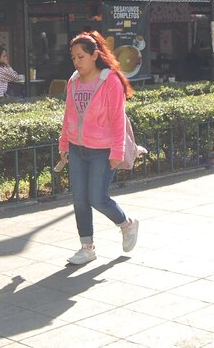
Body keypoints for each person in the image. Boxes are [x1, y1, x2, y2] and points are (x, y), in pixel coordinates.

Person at [57, 31, 139, 265]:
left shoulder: (110, 81)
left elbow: (117, 119)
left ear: (94, 55)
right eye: (73, 58)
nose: (77, 62)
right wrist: (64, 144)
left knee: (97, 198)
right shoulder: (73, 81)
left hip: (102, 150)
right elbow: (69, 116)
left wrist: (117, 151)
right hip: (77, 148)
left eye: (80, 56)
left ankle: (127, 224)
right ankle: (87, 247)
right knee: (79, 199)